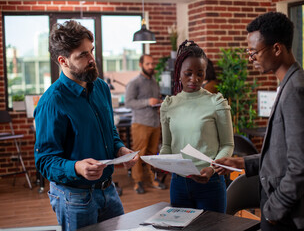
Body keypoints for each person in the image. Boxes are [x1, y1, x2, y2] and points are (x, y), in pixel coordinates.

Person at [215, 12, 304, 230]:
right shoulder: (290, 84)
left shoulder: (296, 90)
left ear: (277, 49)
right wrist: (241, 163)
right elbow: (281, 154)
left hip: (286, 213)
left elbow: (301, 165)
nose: (251, 59)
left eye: (254, 53)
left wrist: (274, 208)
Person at [34, 20, 138, 231]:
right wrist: (76, 167)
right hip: (74, 197)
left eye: (91, 50)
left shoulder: (101, 87)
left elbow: (109, 130)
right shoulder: (52, 102)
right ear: (63, 61)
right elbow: (44, 160)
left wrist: (120, 148)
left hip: (108, 190)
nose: (92, 59)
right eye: (82, 55)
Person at [159, 40, 234, 213]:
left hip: (210, 183)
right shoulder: (169, 105)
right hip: (178, 183)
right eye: (188, 73)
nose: (195, 79)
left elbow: (227, 145)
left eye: (200, 73)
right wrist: (160, 162)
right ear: (179, 74)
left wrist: (212, 169)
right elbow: (167, 146)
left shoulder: (216, 102)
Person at [125, 54, 166, 194]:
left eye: (152, 64)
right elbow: (128, 102)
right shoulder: (134, 82)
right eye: (147, 64)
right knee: (138, 154)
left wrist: (159, 103)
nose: (151, 66)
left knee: (152, 155)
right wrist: (147, 102)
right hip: (141, 123)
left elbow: (156, 99)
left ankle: (152, 179)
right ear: (140, 64)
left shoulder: (154, 81)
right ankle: (138, 182)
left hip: (155, 122)